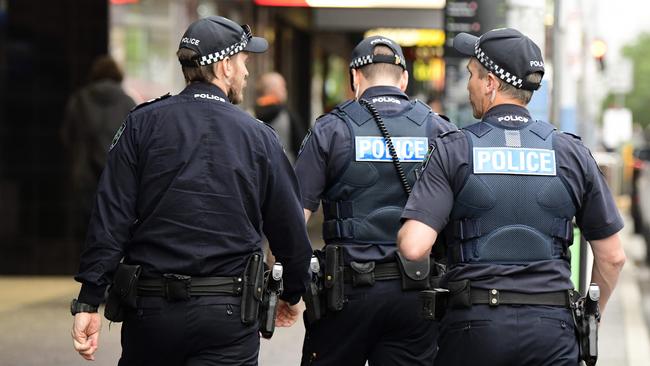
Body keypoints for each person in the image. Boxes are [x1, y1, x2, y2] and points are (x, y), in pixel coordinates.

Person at [70, 16, 312, 365]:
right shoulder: (259, 137)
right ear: (225, 66)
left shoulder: (141, 124)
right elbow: (288, 227)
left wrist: (89, 300)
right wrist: (293, 291)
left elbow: (110, 218)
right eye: (244, 61)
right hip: (228, 315)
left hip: (150, 314)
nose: (247, 72)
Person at [397, 28, 626, 366]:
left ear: (490, 82)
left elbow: (413, 246)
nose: (468, 84)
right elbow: (613, 257)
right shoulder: (571, 153)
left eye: (472, 75)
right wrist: (592, 315)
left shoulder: (455, 149)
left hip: (473, 331)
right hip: (554, 332)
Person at [295, 35, 455, 365]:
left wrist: (289, 287)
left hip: (344, 295)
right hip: (417, 295)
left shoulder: (331, 129)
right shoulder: (438, 130)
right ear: (404, 79)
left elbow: (294, 216)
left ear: (355, 78)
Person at [61, 55, 136, 244]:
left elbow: (66, 136)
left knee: (85, 232)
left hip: (84, 175)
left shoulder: (78, 100)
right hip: (116, 178)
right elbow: (137, 144)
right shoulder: (127, 103)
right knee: (111, 233)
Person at [255, 71, 306, 162]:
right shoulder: (288, 116)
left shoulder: (248, 114)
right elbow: (302, 150)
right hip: (284, 171)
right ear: (272, 90)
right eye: (283, 87)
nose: (285, 91)